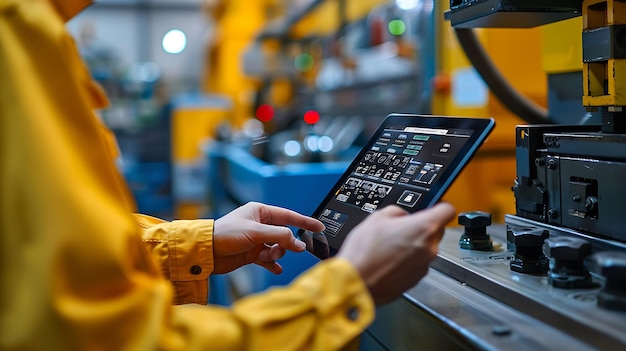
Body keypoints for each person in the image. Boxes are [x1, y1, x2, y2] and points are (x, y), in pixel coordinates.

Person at [0, 0, 456, 350]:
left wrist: (201, 241)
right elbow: (103, 337)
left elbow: (50, 263)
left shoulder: (32, 30)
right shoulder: (16, 37)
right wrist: (347, 288)